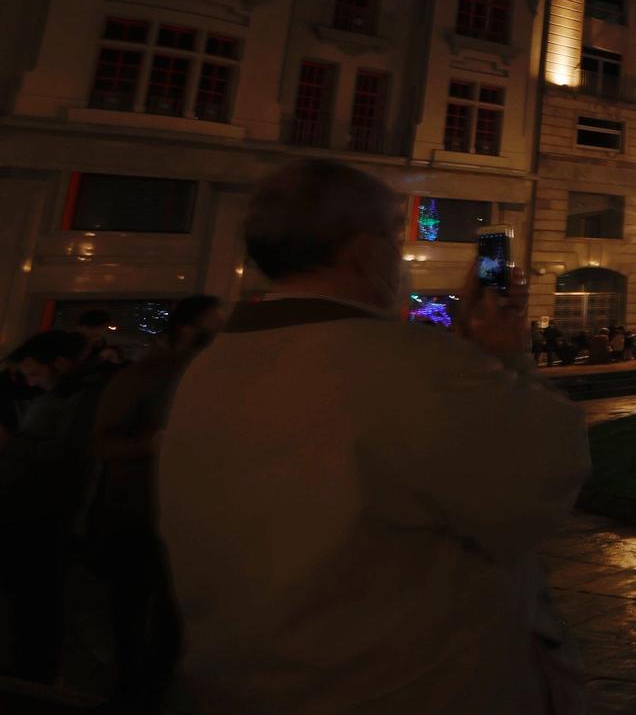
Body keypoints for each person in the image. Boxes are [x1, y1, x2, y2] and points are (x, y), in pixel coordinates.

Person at [157, 159, 591, 713]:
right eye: (394, 233)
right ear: (364, 250)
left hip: (242, 678)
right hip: (403, 684)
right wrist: (504, 353)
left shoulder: (211, 367)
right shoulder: (408, 364)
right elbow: (542, 477)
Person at [89, 294, 223, 710]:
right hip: (139, 508)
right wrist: (154, 445)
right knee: (136, 605)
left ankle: (147, 686)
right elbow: (105, 442)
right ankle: (134, 688)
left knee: (168, 609)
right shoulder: (144, 375)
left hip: (179, 510)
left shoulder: (204, 376)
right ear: (187, 329)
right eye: (212, 326)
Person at [0, 328, 122, 685]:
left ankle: (31, 674)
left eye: (35, 374)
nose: (32, 383)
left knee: (35, 599)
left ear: (61, 364)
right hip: (38, 508)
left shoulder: (80, 398)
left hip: (42, 511)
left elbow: (61, 456)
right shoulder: (75, 394)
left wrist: (13, 449)